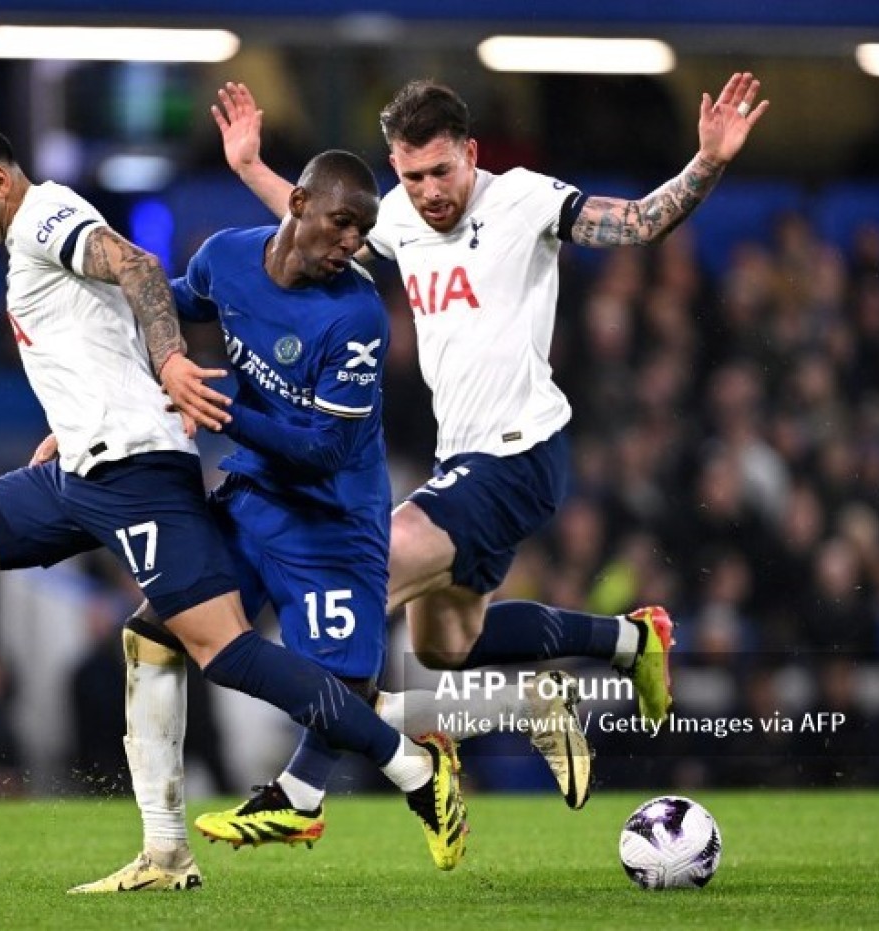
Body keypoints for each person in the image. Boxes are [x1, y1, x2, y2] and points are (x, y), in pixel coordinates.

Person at [0, 116, 467, 878]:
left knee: (222, 649)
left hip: (140, 472)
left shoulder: (46, 218)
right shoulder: (58, 240)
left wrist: (168, 367)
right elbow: (118, 312)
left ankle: (410, 765)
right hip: (83, 466)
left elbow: (135, 268)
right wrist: (76, 418)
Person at [166, 74, 770, 842]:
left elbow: (639, 222)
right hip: (462, 461)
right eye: (412, 175)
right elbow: (317, 220)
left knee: (362, 577)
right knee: (446, 645)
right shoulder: (399, 217)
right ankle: (631, 641)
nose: (428, 192)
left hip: (519, 456)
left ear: (471, 154)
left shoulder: (522, 199)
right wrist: (250, 165)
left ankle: (301, 793)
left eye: (441, 172)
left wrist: (707, 161)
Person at [76, 150, 586, 893]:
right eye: (342, 223)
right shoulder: (226, 257)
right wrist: (92, 348)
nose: (351, 243)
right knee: (155, 633)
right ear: (299, 204)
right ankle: (166, 852)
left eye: (362, 231)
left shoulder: (355, 315)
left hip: (332, 523)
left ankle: (484, 723)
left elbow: (325, 450)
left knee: (345, 699)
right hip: (253, 500)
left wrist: (220, 411)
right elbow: (174, 305)